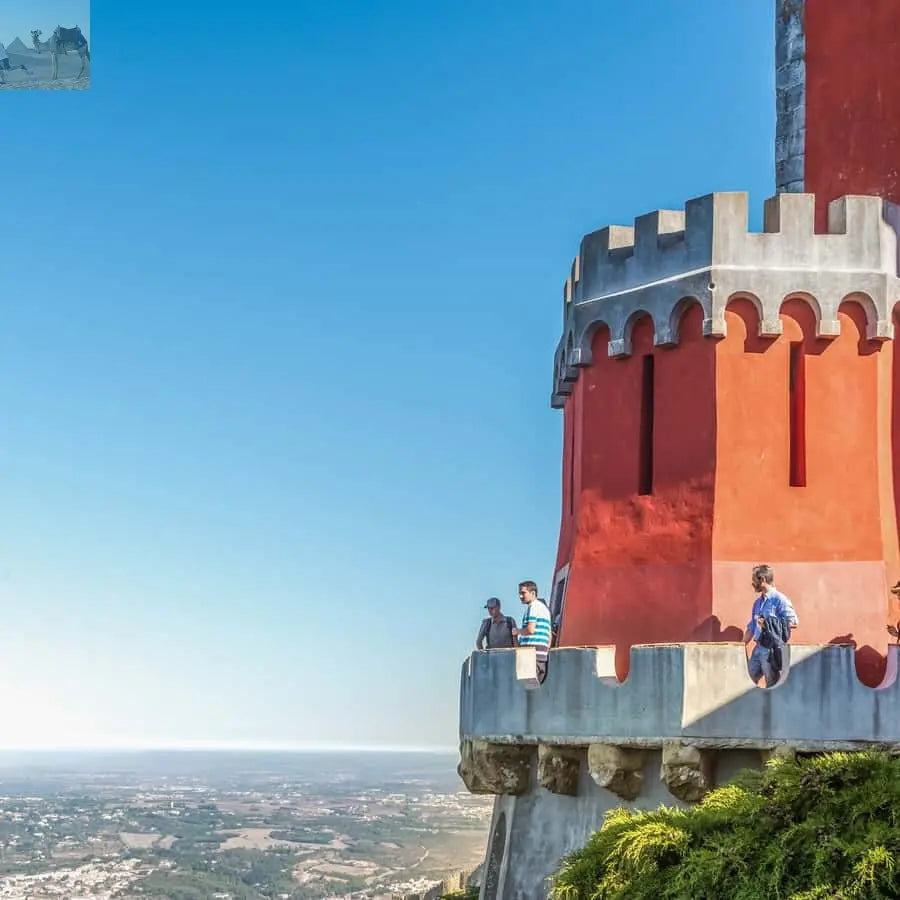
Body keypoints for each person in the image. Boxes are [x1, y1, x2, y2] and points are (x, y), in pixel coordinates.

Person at [744, 564, 798, 687]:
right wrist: (741, 645)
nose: (753, 583)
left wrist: (769, 623)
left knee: (772, 685)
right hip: (758, 648)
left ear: (762, 580)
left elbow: (794, 622)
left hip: (771, 650)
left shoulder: (780, 599)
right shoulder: (758, 602)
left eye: (754, 580)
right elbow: (752, 626)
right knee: (747, 681)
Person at [512, 580, 552, 682]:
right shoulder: (544, 609)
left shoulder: (533, 607)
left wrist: (517, 631)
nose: (521, 596)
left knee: (528, 692)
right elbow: (549, 635)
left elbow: (530, 629)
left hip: (531, 657)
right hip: (541, 657)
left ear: (533, 593)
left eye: (523, 593)